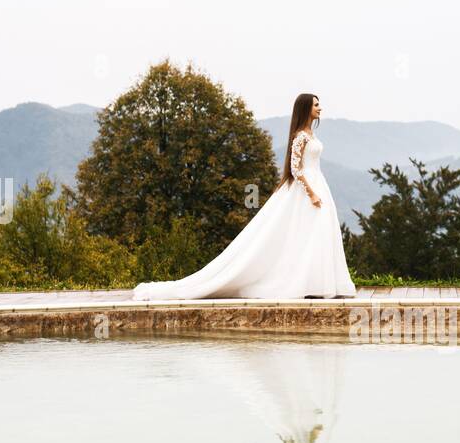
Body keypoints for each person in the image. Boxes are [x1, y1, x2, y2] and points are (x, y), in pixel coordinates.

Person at [132, 93, 356, 300]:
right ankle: (304, 283)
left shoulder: (310, 134)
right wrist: (311, 194)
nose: (320, 108)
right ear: (306, 108)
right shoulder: (300, 137)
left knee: (315, 234)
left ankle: (317, 283)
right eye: (316, 105)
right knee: (303, 233)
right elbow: (296, 169)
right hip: (307, 189)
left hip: (318, 182)